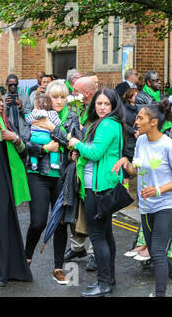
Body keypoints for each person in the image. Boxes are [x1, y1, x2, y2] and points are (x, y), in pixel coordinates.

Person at [112, 99, 172, 297]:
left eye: (140, 117)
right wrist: (125, 162)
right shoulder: (141, 141)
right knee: (158, 253)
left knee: (156, 252)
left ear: (153, 122)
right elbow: (135, 170)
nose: (136, 121)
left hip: (165, 205)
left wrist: (159, 190)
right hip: (146, 207)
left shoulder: (169, 146)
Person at [68, 87, 127, 297]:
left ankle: (103, 284)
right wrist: (80, 150)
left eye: (106, 104)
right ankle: (108, 280)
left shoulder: (107, 124)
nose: (102, 107)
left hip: (98, 187)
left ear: (113, 106)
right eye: (99, 103)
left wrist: (77, 144)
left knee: (97, 236)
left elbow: (95, 152)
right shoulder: (109, 123)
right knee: (106, 235)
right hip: (103, 185)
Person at [24, 80, 80, 285]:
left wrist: (52, 128)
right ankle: (26, 257)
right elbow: (24, 143)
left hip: (63, 177)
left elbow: (75, 143)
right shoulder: (36, 112)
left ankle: (58, 268)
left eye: (62, 97)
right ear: (47, 97)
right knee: (38, 221)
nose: (58, 101)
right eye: (54, 97)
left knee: (60, 223)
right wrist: (44, 149)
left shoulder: (72, 117)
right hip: (38, 173)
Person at [63, 76, 99, 271]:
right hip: (80, 166)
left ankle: (95, 253)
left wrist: (80, 144)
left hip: (97, 170)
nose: (73, 94)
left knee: (95, 213)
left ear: (86, 93)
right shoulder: (81, 109)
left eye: (75, 91)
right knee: (79, 210)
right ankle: (78, 247)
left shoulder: (100, 110)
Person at [0, 91, 32, 290]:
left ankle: (4, 271)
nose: (1, 105)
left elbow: (23, 151)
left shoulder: (6, 123)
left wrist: (15, 138)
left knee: (4, 224)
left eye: (1, 101)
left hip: (3, 181)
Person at [25, 94, 62, 171]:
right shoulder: (52, 113)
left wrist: (28, 116)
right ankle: (54, 163)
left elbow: (28, 120)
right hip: (47, 138)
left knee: (33, 151)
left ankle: (34, 163)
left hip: (34, 138)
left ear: (37, 107)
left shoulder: (34, 113)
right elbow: (58, 123)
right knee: (54, 148)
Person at [122, 88, 139, 187]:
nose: (137, 98)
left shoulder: (140, 108)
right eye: (135, 96)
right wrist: (133, 131)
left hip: (138, 137)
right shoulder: (124, 109)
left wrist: (139, 131)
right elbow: (123, 124)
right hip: (128, 138)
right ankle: (126, 185)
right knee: (127, 160)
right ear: (129, 98)